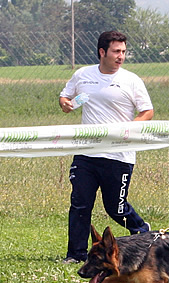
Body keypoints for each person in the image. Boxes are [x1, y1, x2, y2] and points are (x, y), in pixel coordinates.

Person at [59, 31, 154, 264]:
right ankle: (76, 255)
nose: (121, 56)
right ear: (102, 52)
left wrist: (129, 129)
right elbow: (64, 98)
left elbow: (147, 112)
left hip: (118, 154)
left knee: (115, 207)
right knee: (80, 203)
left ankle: (143, 231)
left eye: (123, 51)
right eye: (116, 51)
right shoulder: (83, 75)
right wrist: (67, 104)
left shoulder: (132, 80)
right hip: (86, 153)